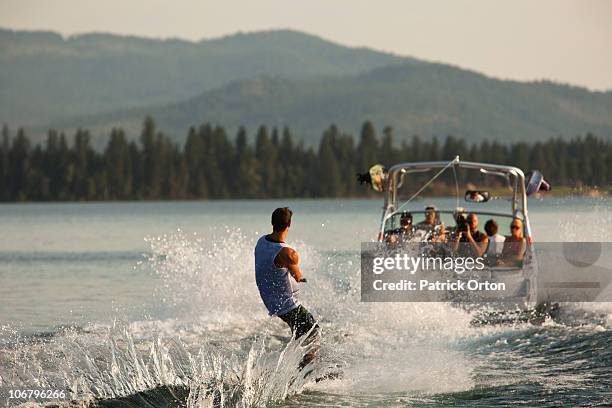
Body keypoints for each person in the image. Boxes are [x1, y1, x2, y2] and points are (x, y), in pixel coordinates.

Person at [254, 207, 319, 368]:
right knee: (314, 333)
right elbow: (297, 275)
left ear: (272, 223)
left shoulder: (261, 242)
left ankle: (296, 369)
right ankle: (302, 373)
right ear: (289, 224)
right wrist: (303, 278)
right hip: (289, 306)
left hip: (273, 304)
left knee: (302, 337)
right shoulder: (288, 253)